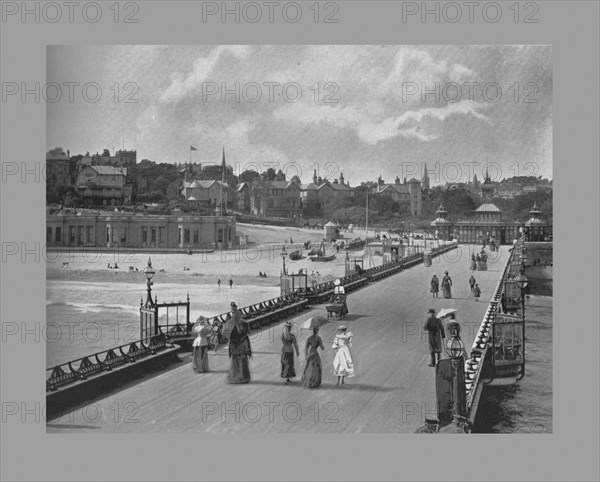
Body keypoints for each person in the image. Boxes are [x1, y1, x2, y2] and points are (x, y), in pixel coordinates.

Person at [225, 302, 252, 384]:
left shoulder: (235, 317)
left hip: (236, 342)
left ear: (234, 307)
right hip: (238, 341)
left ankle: (236, 376)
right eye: (231, 308)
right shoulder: (238, 318)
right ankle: (241, 376)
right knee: (239, 359)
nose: (231, 309)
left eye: (232, 307)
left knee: (237, 359)